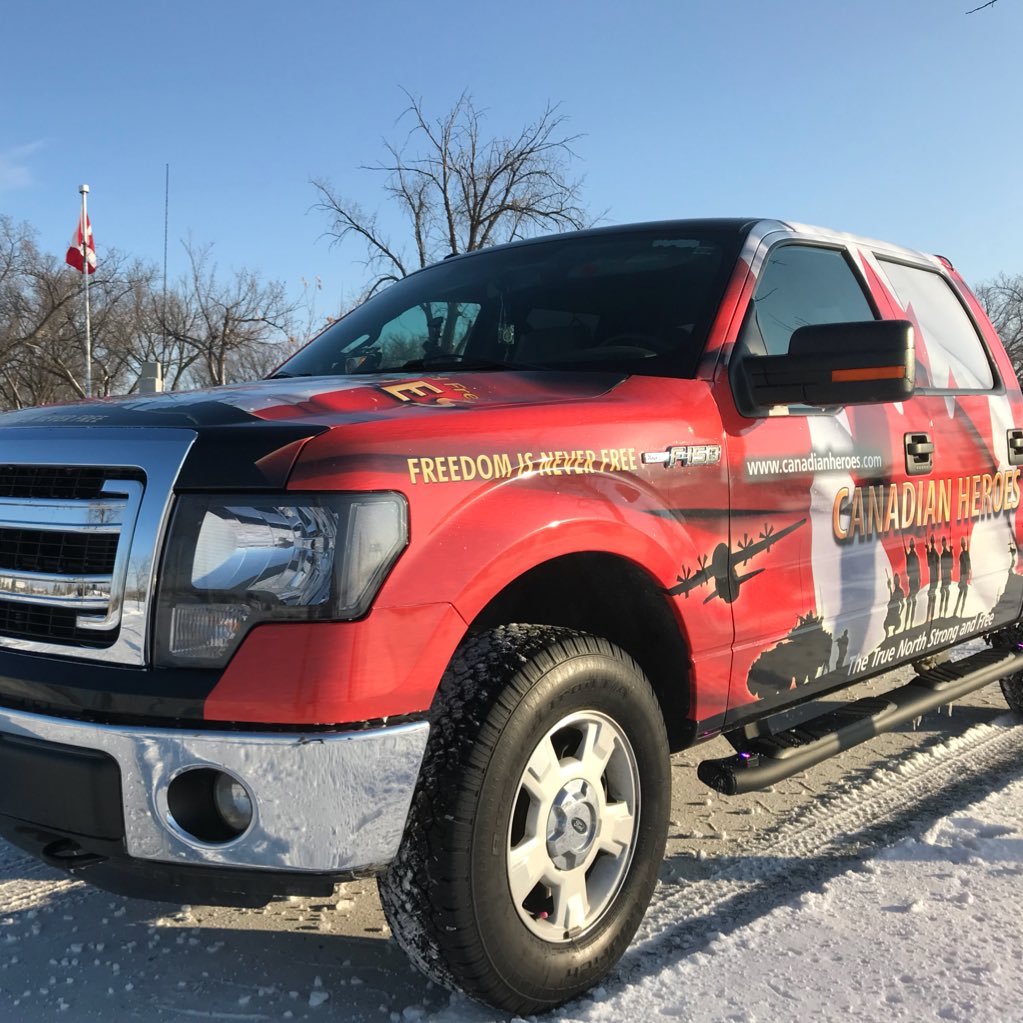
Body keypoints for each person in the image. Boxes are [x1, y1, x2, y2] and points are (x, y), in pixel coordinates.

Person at [952, 536, 971, 617]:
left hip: (965, 575)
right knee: (961, 596)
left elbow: (968, 565)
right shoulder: (962, 554)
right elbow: (962, 566)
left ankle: (960, 613)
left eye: (964, 543)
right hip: (963, 575)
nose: (963, 545)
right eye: (962, 543)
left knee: (963, 597)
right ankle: (957, 613)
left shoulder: (965, 553)